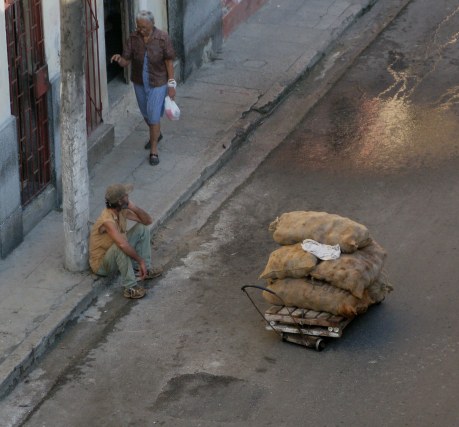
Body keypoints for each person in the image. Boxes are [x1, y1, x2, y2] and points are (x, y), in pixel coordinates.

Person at [111, 10, 176, 166]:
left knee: (153, 116)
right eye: (139, 27)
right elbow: (127, 61)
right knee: (146, 113)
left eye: (144, 27)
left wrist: (171, 84)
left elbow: (168, 62)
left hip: (158, 82)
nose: (141, 30)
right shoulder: (133, 39)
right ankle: (157, 134)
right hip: (140, 82)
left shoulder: (162, 38)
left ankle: (154, 149)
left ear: (152, 24)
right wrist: (119, 59)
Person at [89, 183, 162, 299]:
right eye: (126, 196)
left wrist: (134, 207)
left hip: (115, 254)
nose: (128, 196)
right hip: (102, 265)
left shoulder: (122, 211)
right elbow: (122, 244)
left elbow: (147, 221)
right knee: (121, 245)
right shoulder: (107, 220)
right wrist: (139, 260)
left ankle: (146, 270)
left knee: (142, 228)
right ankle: (130, 287)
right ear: (119, 202)